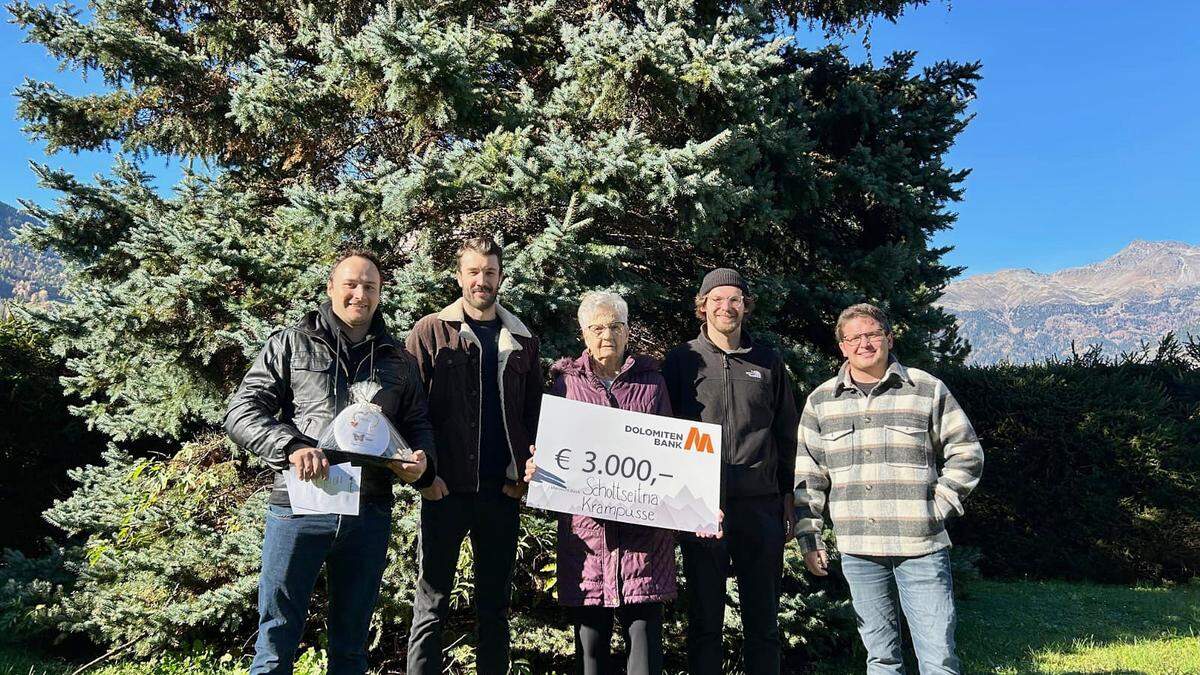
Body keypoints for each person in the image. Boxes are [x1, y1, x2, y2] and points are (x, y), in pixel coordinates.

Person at [224, 249, 434, 675]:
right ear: (331, 289)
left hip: (369, 511)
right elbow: (242, 411)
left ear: (379, 295)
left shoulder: (398, 360)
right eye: (351, 284)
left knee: (351, 644)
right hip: (300, 507)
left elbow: (418, 424)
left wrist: (421, 462)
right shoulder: (291, 343)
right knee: (276, 639)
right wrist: (289, 447)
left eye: (370, 287)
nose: (360, 294)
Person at [794, 303, 985, 675]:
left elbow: (967, 452)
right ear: (842, 346)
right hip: (858, 549)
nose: (864, 343)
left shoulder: (925, 389)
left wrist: (938, 505)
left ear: (889, 338)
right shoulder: (821, 402)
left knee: (939, 657)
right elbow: (808, 477)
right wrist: (809, 539)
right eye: (854, 338)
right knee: (880, 658)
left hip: (920, 546)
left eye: (872, 334)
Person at [405, 236, 543, 675]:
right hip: (445, 491)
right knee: (432, 604)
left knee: (494, 608)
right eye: (473, 272)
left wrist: (526, 474)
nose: (481, 280)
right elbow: (410, 409)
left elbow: (534, 414)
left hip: (501, 493)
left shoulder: (522, 339)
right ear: (459, 276)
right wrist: (426, 478)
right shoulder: (430, 332)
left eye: (489, 272)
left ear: (500, 277)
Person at [524, 291, 676, 675]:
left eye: (614, 326)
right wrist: (538, 468)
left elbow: (673, 456)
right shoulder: (564, 385)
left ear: (627, 332)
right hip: (587, 541)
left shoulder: (652, 384)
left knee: (645, 651)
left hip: (644, 543)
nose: (606, 334)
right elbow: (553, 452)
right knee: (591, 654)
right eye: (597, 328)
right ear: (583, 334)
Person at [661, 268, 799, 675]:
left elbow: (786, 433)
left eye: (735, 299)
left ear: (746, 306)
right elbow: (662, 431)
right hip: (702, 508)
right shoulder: (681, 360)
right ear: (702, 306)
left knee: (764, 622)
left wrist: (789, 498)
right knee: (705, 622)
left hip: (761, 507)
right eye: (717, 299)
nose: (727, 306)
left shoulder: (768, 362)